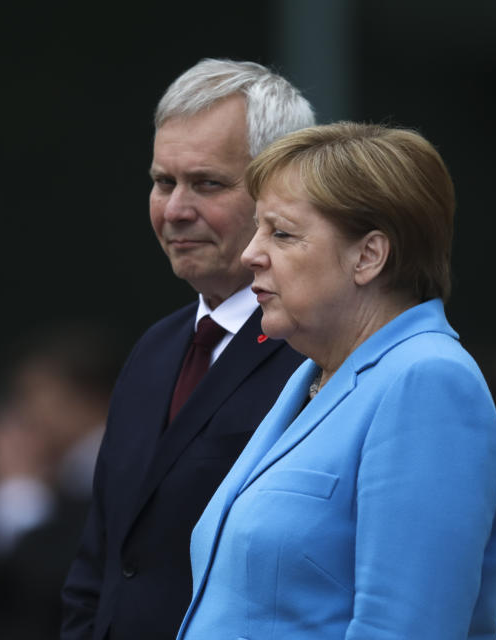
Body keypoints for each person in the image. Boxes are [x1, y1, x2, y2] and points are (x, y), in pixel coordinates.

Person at [175, 122, 496, 639]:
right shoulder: (313, 377)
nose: (250, 255)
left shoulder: (429, 382)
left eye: (282, 233)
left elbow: (404, 630)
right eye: (258, 229)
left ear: (369, 256)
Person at [61, 59, 314, 640]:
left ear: (280, 190)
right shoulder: (156, 349)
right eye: (162, 182)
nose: (174, 209)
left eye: (207, 184)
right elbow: (101, 563)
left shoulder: (314, 350)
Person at [0, 326, 121, 640]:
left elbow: (54, 586)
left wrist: (15, 495)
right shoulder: (55, 476)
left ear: (87, 398)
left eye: (32, 394)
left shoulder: (117, 473)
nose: (22, 414)